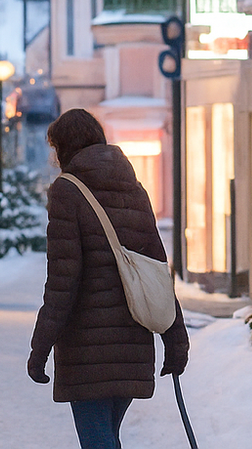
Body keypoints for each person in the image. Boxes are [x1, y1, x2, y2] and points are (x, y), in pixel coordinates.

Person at [28, 108, 188, 449]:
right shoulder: (134, 189)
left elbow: (62, 281)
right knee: (105, 438)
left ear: (64, 148)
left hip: (88, 350)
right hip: (133, 341)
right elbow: (156, 268)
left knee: (98, 441)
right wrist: (176, 340)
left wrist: (39, 348)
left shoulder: (67, 191)